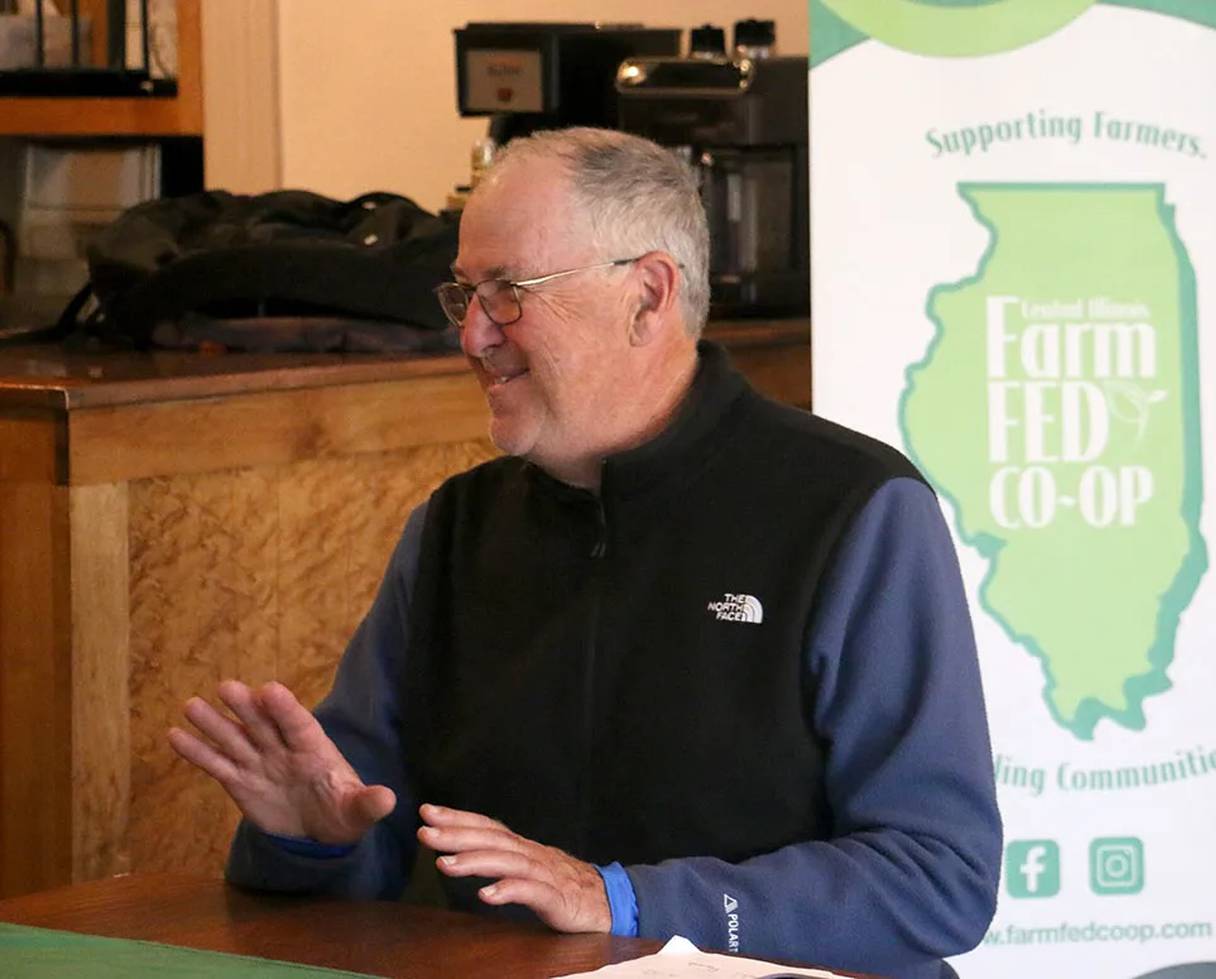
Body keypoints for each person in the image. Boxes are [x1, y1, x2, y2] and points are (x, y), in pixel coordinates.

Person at [169, 127, 1001, 978]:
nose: (474, 338)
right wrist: (309, 841)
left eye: (510, 292)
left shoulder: (853, 510)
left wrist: (623, 901)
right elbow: (369, 854)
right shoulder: (454, 529)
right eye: (465, 296)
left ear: (647, 294)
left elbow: (938, 878)